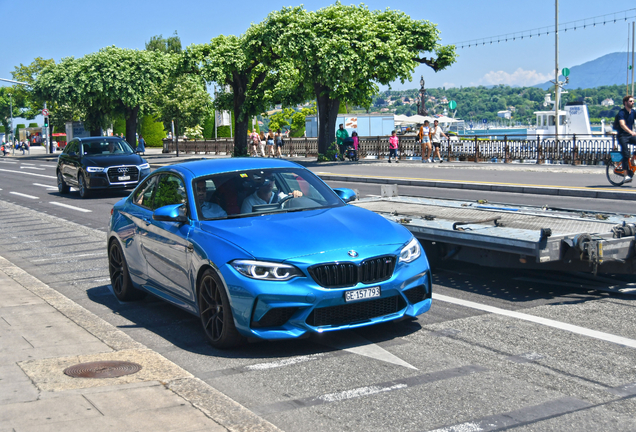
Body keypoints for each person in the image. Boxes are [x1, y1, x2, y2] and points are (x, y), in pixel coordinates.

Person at [616, 95, 636, 182]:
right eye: (631, 101)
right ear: (625, 102)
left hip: (630, 135)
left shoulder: (633, 112)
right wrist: (631, 132)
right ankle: (626, 175)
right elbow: (622, 124)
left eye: (633, 101)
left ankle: (633, 159)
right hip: (622, 136)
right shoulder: (621, 113)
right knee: (626, 153)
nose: (633, 102)